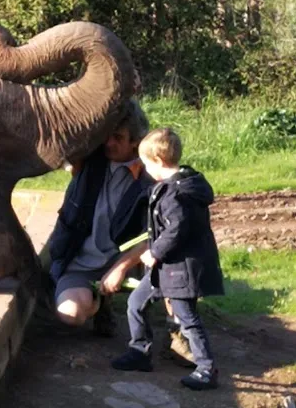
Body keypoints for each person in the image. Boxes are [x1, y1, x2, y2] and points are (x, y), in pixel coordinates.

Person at [110, 127, 224, 390]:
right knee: (136, 303)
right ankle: (140, 351)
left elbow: (177, 229)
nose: (145, 169)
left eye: (146, 163)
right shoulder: (173, 188)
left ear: (158, 162)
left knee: (187, 316)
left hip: (180, 269)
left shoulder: (176, 194)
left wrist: (155, 252)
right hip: (166, 269)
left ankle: (206, 368)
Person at [44, 101, 152, 335]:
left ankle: (179, 332)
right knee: (69, 313)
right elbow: (64, 138)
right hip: (82, 264)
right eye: (106, 136)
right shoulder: (87, 160)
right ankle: (98, 302)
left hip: (129, 263)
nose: (109, 143)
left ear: (135, 141)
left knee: (177, 258)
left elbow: (156, 235)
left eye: (118, 137)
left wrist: (120, 269)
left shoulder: (150, 176)